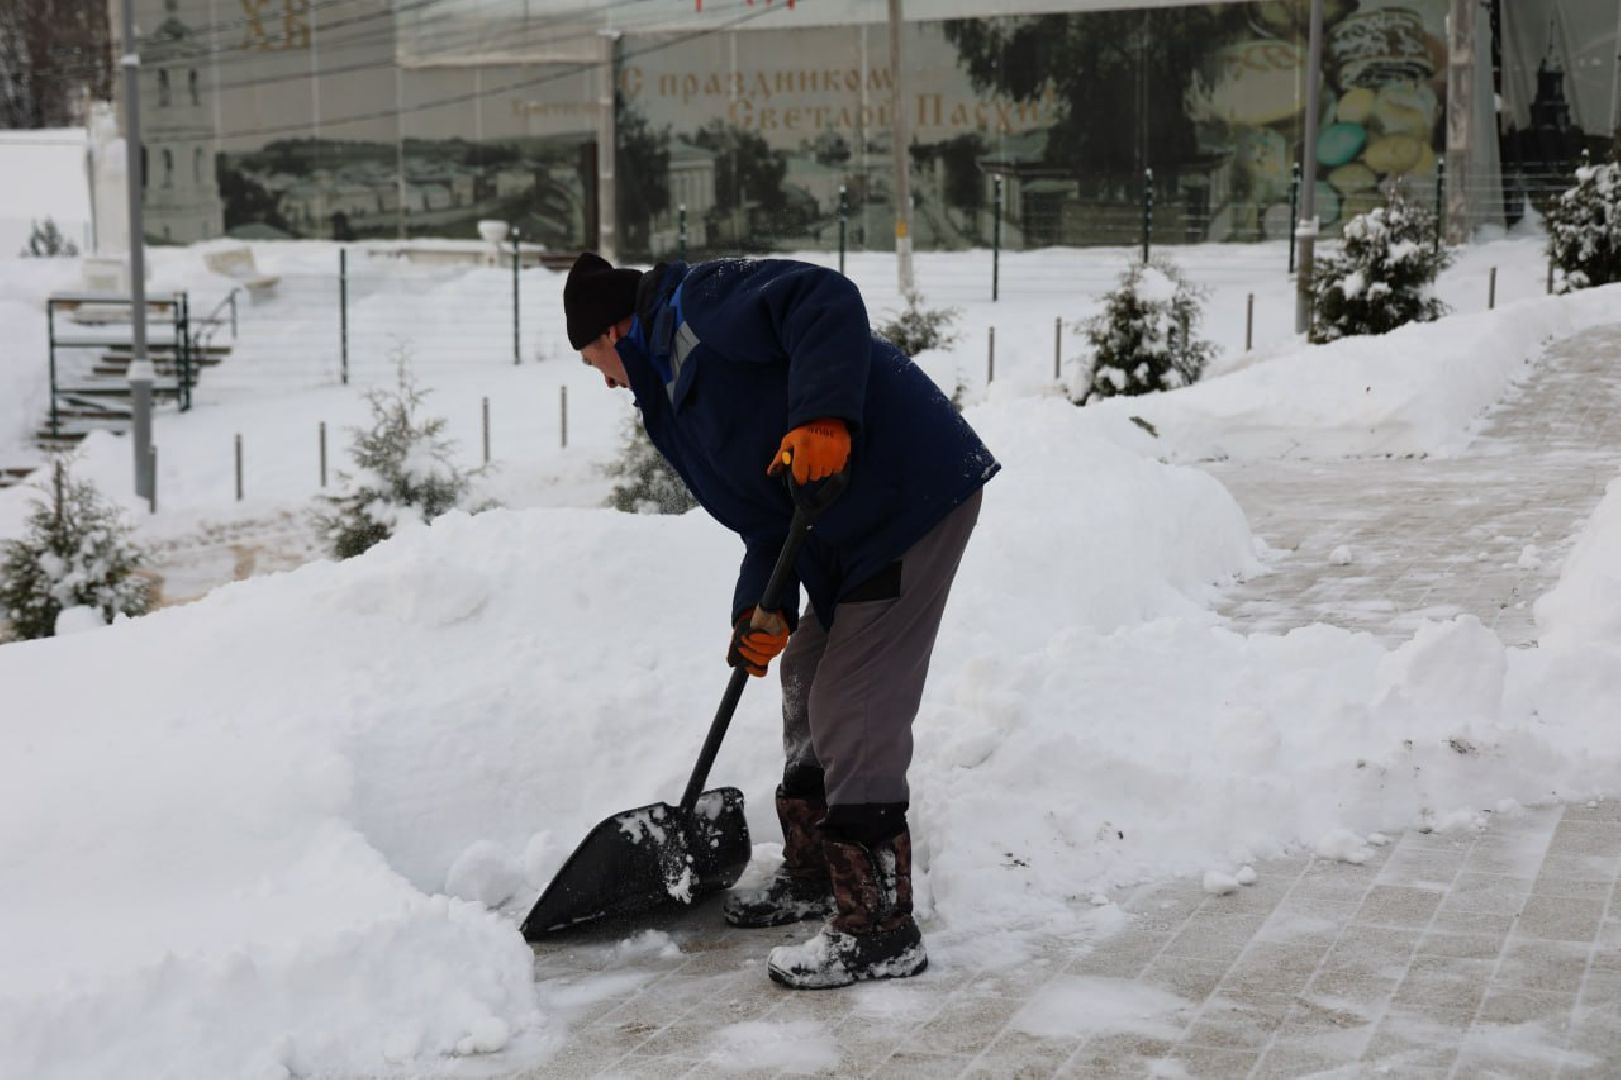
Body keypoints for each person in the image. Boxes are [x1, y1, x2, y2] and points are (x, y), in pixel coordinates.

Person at [563, 252, 997, 989]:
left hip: (907, 498)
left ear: (614, 328)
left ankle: (880, 926)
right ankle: (816, 872)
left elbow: (820, 298)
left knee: (852, 699)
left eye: (594, 359)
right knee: (801, 670)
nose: (605, 379)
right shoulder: (671, 407)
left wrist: (823, 417)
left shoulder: (698, 305)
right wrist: (757, 606)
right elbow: (768, 520)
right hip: (841, 532)